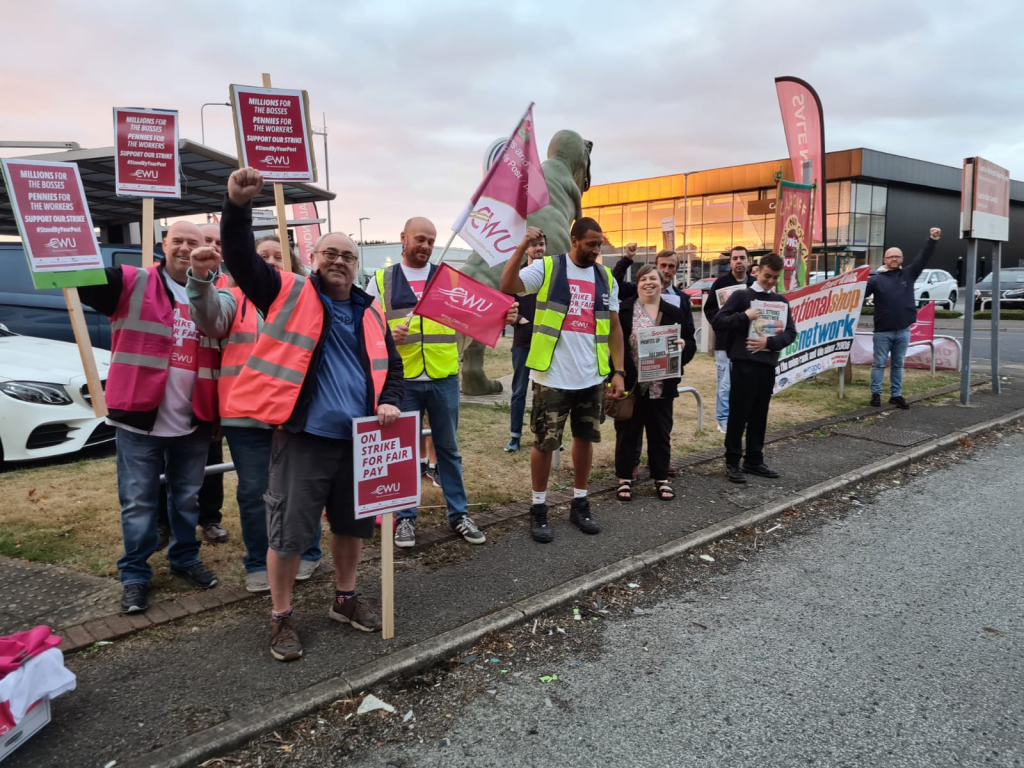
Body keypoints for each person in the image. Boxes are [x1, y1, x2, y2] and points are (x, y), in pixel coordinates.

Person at [220, 167, 405, 661]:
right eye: (330, 253)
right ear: (314, 259)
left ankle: (344, 598)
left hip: (362, 440)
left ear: (357, 263)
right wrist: (236, 207)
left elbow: (394, 371)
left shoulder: (371, 311)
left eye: (348, 255)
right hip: (305, 437)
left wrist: (390, 400)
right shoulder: (289, 292)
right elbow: (239, 259)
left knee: (352, 526)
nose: (340, 261)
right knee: (289, 533)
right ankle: (281, 616)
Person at [77, 221, 221, 614]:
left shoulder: (212, 294)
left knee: (187, 498)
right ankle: (136, 575)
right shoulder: (131, 282)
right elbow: (78, 276)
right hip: (139, 418)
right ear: (163, 245)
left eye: (195, 243)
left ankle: (185, 558)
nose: (185, 249)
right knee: (139, 503)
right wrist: (64, 237)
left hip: (193, 418)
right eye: (178, 242)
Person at [185, 243, 326, 593]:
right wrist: (201, 280)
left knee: (302, 489)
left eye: (279, 256)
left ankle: (307, 551)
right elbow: (209, 321)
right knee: (253, 492)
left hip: (297, 413)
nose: (271, 262)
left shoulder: (306, 298)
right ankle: (258, 561)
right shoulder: (231, 296)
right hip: (245, 415)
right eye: (263, 256)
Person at [367, 217, 515, 548]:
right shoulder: (381, 280)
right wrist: (386, 335)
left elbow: (477, 313)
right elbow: (365, 326)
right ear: (402, 237)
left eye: (432, 241)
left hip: (443, 377)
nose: (426, 246)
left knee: (448, 450)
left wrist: (504, 314)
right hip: (401, 380)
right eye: (420, 239)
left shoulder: (447, 279)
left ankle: (458, 514)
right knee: (403, 451)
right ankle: (405, 518)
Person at [500, 219, 625, 544]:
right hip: (552, 376)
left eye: (600, 245)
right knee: (544, 443)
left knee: (585, 439)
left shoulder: (605, 276)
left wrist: (618, 371)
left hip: (591, 376)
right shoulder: (548, 268)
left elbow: (613, 327)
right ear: (574, 239)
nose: (596, 250)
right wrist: (520, 246)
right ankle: (538, 508)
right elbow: (508, 283)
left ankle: (579, 503)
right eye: (590, 244)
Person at [155, 222, 230, 549]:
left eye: (215, 244)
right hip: (162, 396)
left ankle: (210, 519)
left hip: (206, 394)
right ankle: (161, 524)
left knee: (210, 464)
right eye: (206, 241)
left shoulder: (227, 287)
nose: (207, 249)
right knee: (158, 470)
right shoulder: (157, 282)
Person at [713, 252, 798, 484]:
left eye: (775, 278)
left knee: (760, 414)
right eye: (767, 276)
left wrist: (768, 343)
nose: (770, 281)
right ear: (757, 271)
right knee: (738, 415)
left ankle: (754, 459)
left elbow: (791, 332)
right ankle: (732, 461)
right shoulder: (742, 296)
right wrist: (745, 316)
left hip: (767, 365)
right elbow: (719, 321)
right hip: (743, 364)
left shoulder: (781, 302)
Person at [614, 264, 696, 502]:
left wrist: (683, 346)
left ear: (662, 284)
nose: (649, 283)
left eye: (653, 279)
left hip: (662, 384)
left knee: (660, 433)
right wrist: (617, 374)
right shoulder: (624, 310)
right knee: (627, 432)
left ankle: (661, 478)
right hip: (632, 384)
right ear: (637, 283)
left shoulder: (674, 311)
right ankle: (624, 478)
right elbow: (614, 346)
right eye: (643, 279)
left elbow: (689, 341)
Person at [865, 229, 941, 409]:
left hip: (903, 330)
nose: (894, 259)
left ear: (902, 259)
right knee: (879, 364)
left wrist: (933, 239)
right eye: (890, 257)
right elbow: (857, 296)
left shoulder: (908, 274)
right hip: (883, 331)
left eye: (897, 256)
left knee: (898, 365)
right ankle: (876, 394)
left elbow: (923, 258)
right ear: (884, 260)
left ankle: (896, 395)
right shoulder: (875, 280)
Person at [505, 231, 547, 453]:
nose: (538, 248)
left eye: (541, 244)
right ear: (527, 249)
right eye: (534, 245)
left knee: (544, 392)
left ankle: (543, 436)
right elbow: (504, 301)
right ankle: (514, 437)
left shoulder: (551, 276)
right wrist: (518, 319)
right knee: (519, 391)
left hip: (546, 344)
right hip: (522, 343)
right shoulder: (518, 275)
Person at [703, 246, 753, 434]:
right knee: (725, 384)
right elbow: (710, 311)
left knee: (746, 384)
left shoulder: (754, 284)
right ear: (730, 262)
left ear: (748, 261)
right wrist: (724, 324)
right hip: (725, 343)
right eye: (735, 258)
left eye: (742, 258)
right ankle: (723, 420)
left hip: (750, 343)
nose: (738, 261)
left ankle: (744, 418)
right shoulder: (720, 284)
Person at [612, 244, 686, 300]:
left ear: (676, 270)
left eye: (671, 266)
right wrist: (627, 258)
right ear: (655, 267)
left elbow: (686, 320)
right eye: (663, 265)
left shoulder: (682, 298)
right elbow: (614, 284)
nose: (666, 270)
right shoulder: (637, 290)